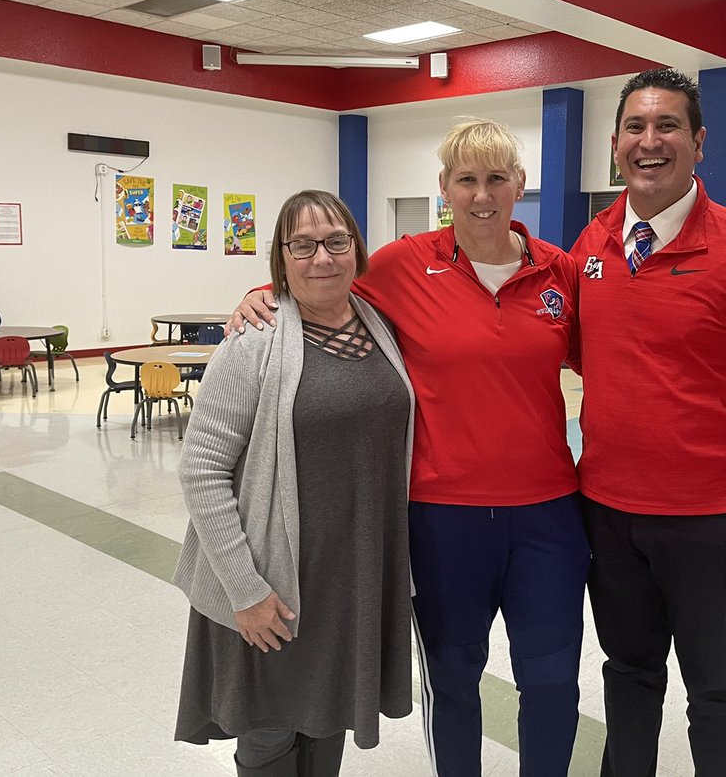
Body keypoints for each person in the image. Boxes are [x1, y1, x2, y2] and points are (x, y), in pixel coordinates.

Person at [229, 119, 589, 777]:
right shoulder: (403, 264)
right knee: (452, 680)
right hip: (440, 516)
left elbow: (613, 366)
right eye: (467, 180)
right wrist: (264, 293)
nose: (483, 195)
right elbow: (323, 290)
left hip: (549, 518)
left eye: (497, 178)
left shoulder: (558, 271)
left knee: (553, 680)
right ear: (445, 188)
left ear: (521, 186)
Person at [571, 68, 726, 776]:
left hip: (708, 522)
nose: (651, 141)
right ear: (615, 144)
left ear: (699, 142)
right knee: (628, 671)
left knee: (716, 689)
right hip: (607, 514)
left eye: (667, 126)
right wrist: (293, 288)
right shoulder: (591, 246)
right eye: (636, 128)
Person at [173, 190, 416, 777]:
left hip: (352, 574)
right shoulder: (253, 341)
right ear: (281, 260)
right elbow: (201, 469)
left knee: (329, 715)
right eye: (302, 245)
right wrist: (245, 591)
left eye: (336, 242)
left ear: (357, 251)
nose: (322, 258)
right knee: (270, 732)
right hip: (272, 576)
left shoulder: (381, 326)